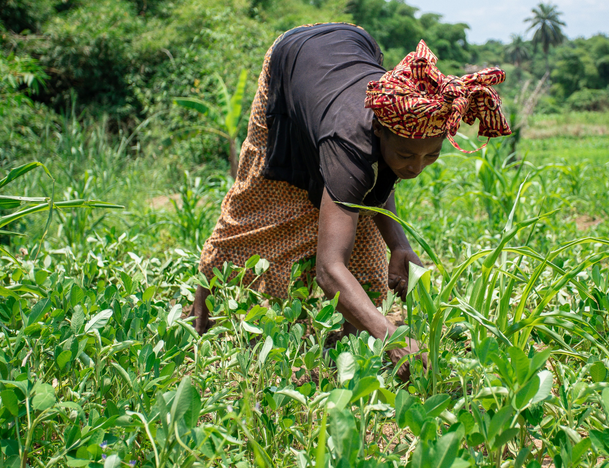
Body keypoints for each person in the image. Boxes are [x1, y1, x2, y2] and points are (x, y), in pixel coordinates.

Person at [190, 22, 510, 379]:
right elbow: (330, 269)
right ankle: (202, 315)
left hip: (354, 44)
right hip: (291, 61)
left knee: (365, 248)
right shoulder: (352, 141)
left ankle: (347, 348)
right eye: (406, 154)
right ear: (379, 131)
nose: (416, 167)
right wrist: (391, 336)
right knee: (257, 205)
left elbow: (377, 177)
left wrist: (398, 244)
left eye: (430, 157)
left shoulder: (400, 111)